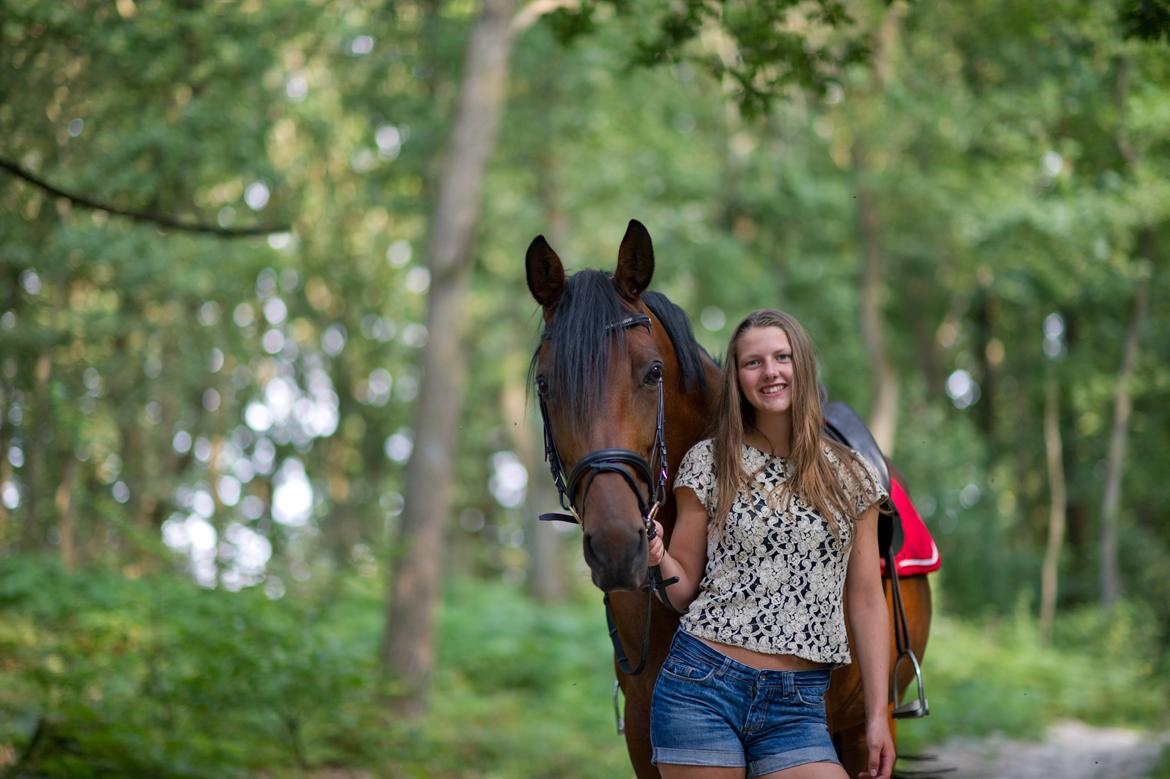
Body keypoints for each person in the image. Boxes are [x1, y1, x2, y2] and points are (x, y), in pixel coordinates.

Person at [647, 309, 894, 779]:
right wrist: (659, 559)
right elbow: (684, 592)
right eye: (752, 362)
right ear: (737, 377)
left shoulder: (852, 474)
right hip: (702, 687)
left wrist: (877, 716)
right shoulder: (709, 461)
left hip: (797, 708)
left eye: (782, 357)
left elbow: (866, 599)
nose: (770, 372)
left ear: (802, 365)